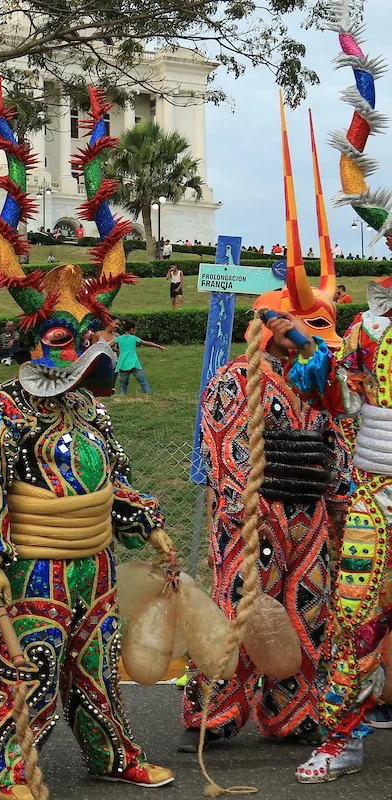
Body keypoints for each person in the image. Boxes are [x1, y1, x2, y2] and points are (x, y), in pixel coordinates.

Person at [0, 85, 174, 798]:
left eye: (87, 338)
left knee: (98, 667)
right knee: (27, 667)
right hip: (33, 566)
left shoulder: (90, 413)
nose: (77, 351)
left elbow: (114, 477)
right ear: (33, 340)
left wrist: (147, 523)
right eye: (62, 338)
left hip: (95, 565)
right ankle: (8, 770)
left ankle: (112, 754)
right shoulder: (4, 407)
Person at [181, 121, 349, 751]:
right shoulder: (235, 381)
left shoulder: (321, 385)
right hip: (253, 515)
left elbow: (337, 444)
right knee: (238, 606)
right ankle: (215, 709)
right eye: (298, 329)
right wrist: (240, 512)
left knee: (308, 609)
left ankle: (292, 710)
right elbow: (225, 454)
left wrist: (337, 503)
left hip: (309, 514)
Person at [274, 12, 392, 780]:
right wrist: (310, 361)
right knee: (352, 616)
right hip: (377, 496)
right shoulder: (371, 331)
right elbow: (336, 403)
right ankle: (343, 736)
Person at [114, 321, 165, 395]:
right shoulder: (133, 338)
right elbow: (147, 343)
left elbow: (108, 345)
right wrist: (159, 346)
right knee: (144, 383)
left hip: (123, 364)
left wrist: (117, 350)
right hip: (134, 363)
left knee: (123, 386)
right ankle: (149, 396)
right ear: (131, 329)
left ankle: (122, 398)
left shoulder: (119, 338)